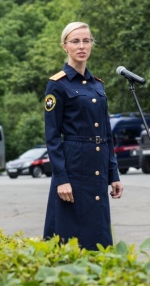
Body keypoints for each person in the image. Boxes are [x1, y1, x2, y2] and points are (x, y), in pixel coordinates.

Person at [43, 22, 123, 250]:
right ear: (64, 46)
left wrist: (113, 173)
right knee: (70, 235)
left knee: (98, 232)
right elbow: (52, 137)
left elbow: (106, 134)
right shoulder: (57, 85)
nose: (81, 46)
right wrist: (61, 179)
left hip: (97, 168)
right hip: (73, 167)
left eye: (86, 41)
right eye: (75, 41)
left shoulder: (97, 85)